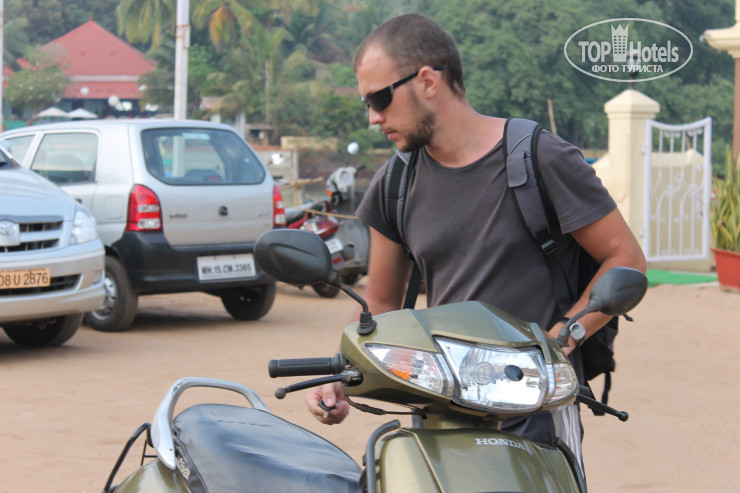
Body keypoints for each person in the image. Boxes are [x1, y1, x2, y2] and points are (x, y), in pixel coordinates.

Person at [305, 13, 646, 470]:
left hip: (536, 412)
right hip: (441, 412)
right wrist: (338, 369)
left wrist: (558, 343)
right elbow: (381, 301)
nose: (373, 117)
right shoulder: (395, 182)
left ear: (428, 81)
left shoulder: (540, 159)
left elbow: (626, 259)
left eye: (380, 99)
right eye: (366, 103)